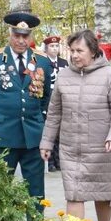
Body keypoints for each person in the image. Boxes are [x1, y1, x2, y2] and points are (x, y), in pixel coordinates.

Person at [41, 29, 111, 221]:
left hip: (102, 148)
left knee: (102, 194)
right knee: (74, 194)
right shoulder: (64, 75)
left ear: (92, 51)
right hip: (71, 148)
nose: (74, 55)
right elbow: (54, 113)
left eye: (79, 50)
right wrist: (47, 142)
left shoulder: (109, 75)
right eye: (71, 50)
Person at [0, 11, 55, 201]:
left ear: (31, 36)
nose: (21, 40)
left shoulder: (42, 61)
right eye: (17, 36)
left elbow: (46, 97)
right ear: (10, 34)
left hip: (33, 136)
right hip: (2, 137)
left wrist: (39, 120)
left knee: (35, 191)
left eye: (25, 36)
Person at [42, 35, 66, 172]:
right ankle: (51, 162)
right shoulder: (43, 63)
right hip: (49, 101)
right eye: (52, 46)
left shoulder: (64, 63)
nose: (55, 48)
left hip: (62, 100)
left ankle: (59, 161)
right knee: (51, 132)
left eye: (57, 46)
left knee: (61, 133)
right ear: (46, 48)